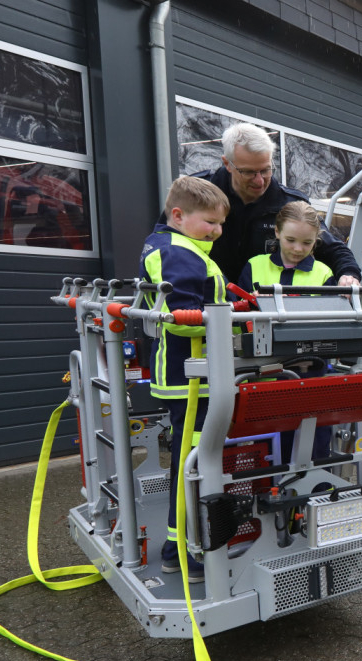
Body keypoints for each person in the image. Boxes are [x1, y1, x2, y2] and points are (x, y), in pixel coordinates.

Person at [139, 175, 232, 583]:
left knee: (191, 459)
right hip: (190, 379)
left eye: (220, 224)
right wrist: (239, 327)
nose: (217, 231)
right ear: (178, 215)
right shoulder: (176, 254)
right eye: (209, 222)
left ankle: (180, 547)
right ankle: (181, 549)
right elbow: (183, 319)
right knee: (192, 463)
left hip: (197, 375)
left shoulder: (181, 247)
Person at [176, 123, 362, 288]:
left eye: (265, 170)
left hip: (257, 316)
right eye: (248, 172)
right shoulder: (195, 196)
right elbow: (164, 241)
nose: (259, 181)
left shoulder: (290, 204)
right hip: (200, 310)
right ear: (228, 164)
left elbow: (332, 248)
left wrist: (348, 274)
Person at [237, 201, 337, 464]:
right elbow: (239, 317)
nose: (297, 249)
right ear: (277, 232)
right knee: (269, 443)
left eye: (306, 243)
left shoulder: (324, 272)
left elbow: (331, 321)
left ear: (316, 240)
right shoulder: (254, 265)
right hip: (265, 372)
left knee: (314, 439)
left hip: (312, 370)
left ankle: (315, 490)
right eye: (291, 239)